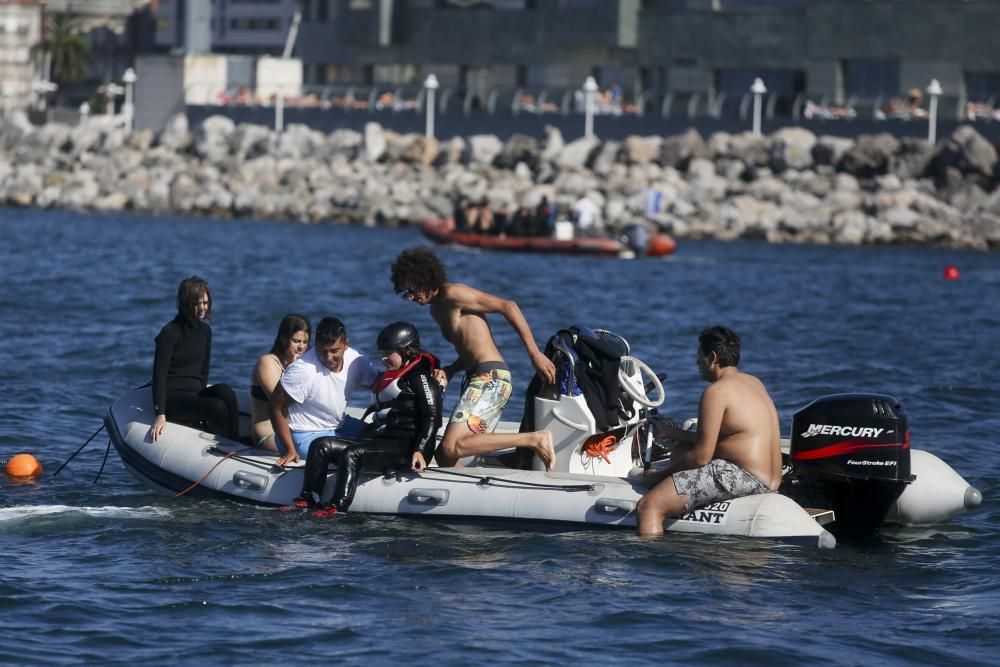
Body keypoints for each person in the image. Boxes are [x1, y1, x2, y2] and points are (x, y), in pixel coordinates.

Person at [390, 246, 556, 470]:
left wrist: (534, 353)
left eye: (410, 291)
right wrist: (450, 370)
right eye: (404, 295)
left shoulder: (453, 294)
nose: (409, 298)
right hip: (476, 378)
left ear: (422, 278)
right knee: (445, 456)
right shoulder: (436, 310)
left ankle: (534, 439)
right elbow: (469, 350)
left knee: (449, 447)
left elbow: (508, 306)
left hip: (491, 379)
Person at [635, 326, 783, 536]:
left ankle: (650, 566)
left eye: (699, 355)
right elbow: (732, 439)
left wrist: (656, 476)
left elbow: (700, 458)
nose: (697, 362)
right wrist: (672, 433)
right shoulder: (753, 382)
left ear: (712, 357)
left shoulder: (716, 392)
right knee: (681, 449)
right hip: (772, 478)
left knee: (649, 507)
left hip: (744, 476)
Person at [294, 321, 443, 514]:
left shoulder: (420, 377)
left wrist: (422, 450)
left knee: (352, 454)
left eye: (389, 353)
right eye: (382, 353)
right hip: (383, 441)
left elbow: (433, 417)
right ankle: (308, 498)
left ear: (406, 350)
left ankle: (337, 507)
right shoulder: (395, 375)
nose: (384, 358)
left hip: (405, 448)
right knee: (321, 445)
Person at [269, 316, 380, 467]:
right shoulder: (302, 371)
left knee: (380, 438)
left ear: (346, 345)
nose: (328, 357)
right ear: (316, 345)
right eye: (323, 351)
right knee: (356, 454)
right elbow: (275, 407)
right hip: (302, 435)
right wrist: (289, 449)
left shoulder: (356, 360)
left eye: (334, 351)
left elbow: (379, 384)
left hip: (338, 425)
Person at [151, 276, 239, 443]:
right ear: (185, 304)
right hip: (173, 400)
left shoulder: (205, 331)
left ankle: (234, 442)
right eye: (197, 304)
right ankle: (224, 444)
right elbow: (159, 376)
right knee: (216, 406)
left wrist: (200, 400)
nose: (202, 308)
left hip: (194, 395)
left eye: (205, 303)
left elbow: (203, 371)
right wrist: (160, 415)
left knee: (225, 391)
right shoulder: (170, 332)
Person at [249, 314, 311, 452]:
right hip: (268, 434)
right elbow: (281, 402)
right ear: (284, 338)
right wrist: (295, 371)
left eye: (305, 342)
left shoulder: (306, 364)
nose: (301, 347)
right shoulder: (267, 362)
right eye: (296, 341)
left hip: (297, 431)